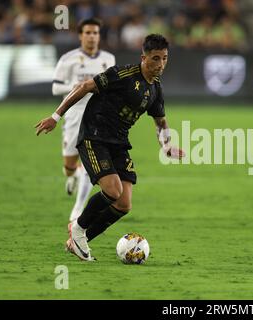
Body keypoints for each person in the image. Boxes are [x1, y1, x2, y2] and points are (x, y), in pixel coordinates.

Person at [35, 34, 184, 261]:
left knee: (124, 204)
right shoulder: (122, 75)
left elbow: (160, 121)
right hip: (95, 137)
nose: (160, 64)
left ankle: (76, 241)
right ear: (143, 57)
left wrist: (166, 144)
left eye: (164, 59)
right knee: (113, 191)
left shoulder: (155, 89)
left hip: (119, 143)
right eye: (155, 58)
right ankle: (77, 228)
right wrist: (56, 116)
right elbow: (84, 86)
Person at [52, 18, 115, 223]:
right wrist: (76, 85)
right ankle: (71, 175)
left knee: (91, 162)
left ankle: (78, 207)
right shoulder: (68, 59)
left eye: (95, 33)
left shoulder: (108, 59)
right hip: (73, 113)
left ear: (99, 35)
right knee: (70, 163)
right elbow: (56, 88)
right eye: (88, 33)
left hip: (97, 115)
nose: (92, 36)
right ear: (81, 35)